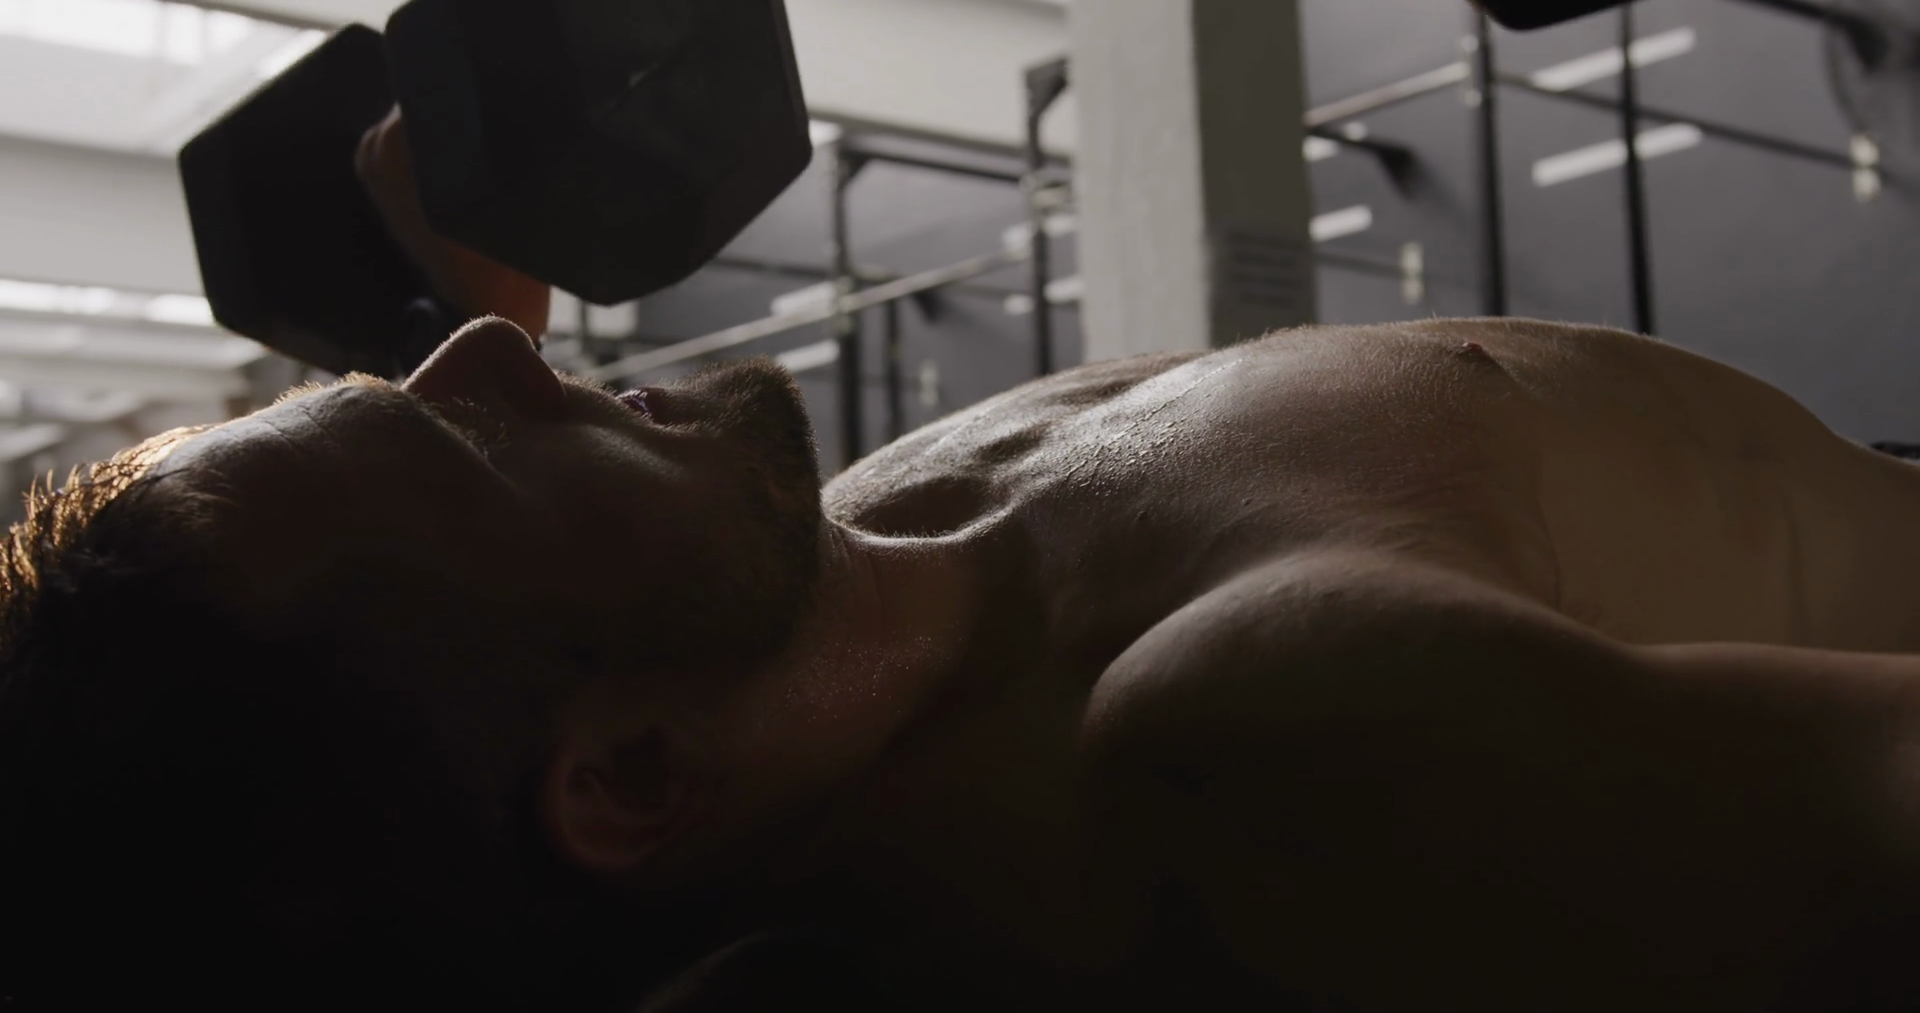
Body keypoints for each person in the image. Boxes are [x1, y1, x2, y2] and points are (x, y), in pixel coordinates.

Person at [4, 114, 1920, 1013]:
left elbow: (437, 616)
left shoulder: (815, 583)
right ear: (633, 775)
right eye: (449, 424)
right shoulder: (1283, 728)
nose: (489, 360)